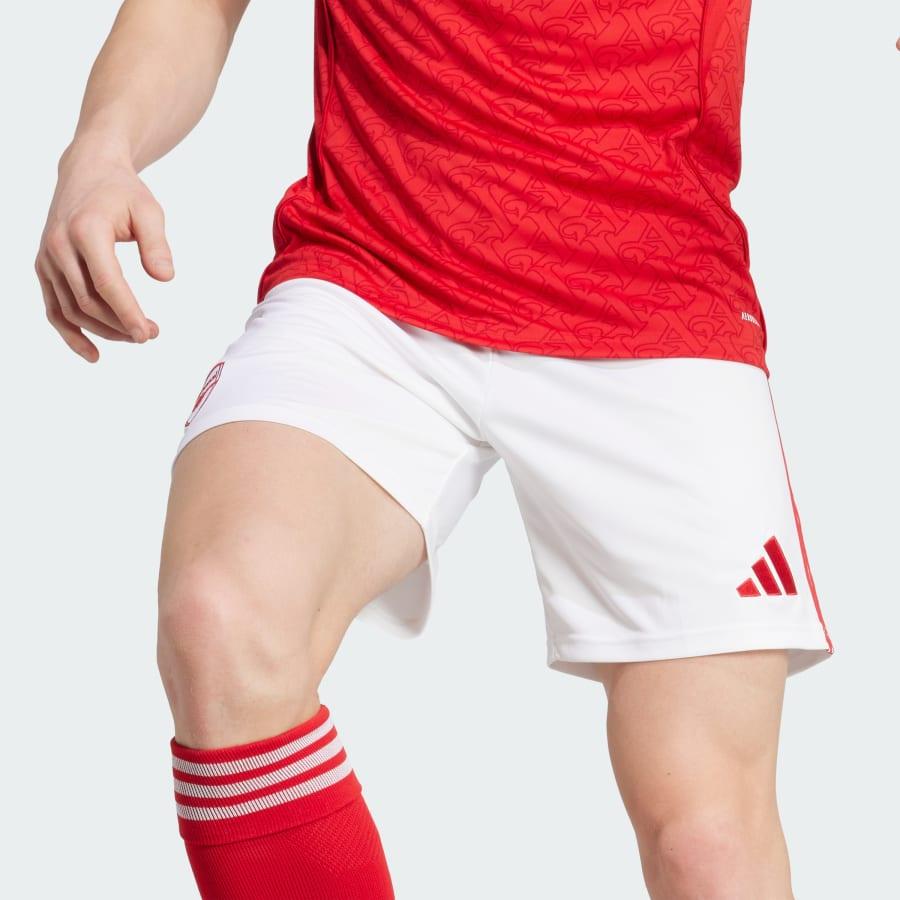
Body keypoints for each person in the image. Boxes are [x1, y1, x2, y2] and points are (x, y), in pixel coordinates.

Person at [38, 3, 871, 898]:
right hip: (374, 263)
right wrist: (102, 147)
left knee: (706, 840)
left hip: (651, 294)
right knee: (221, 619)